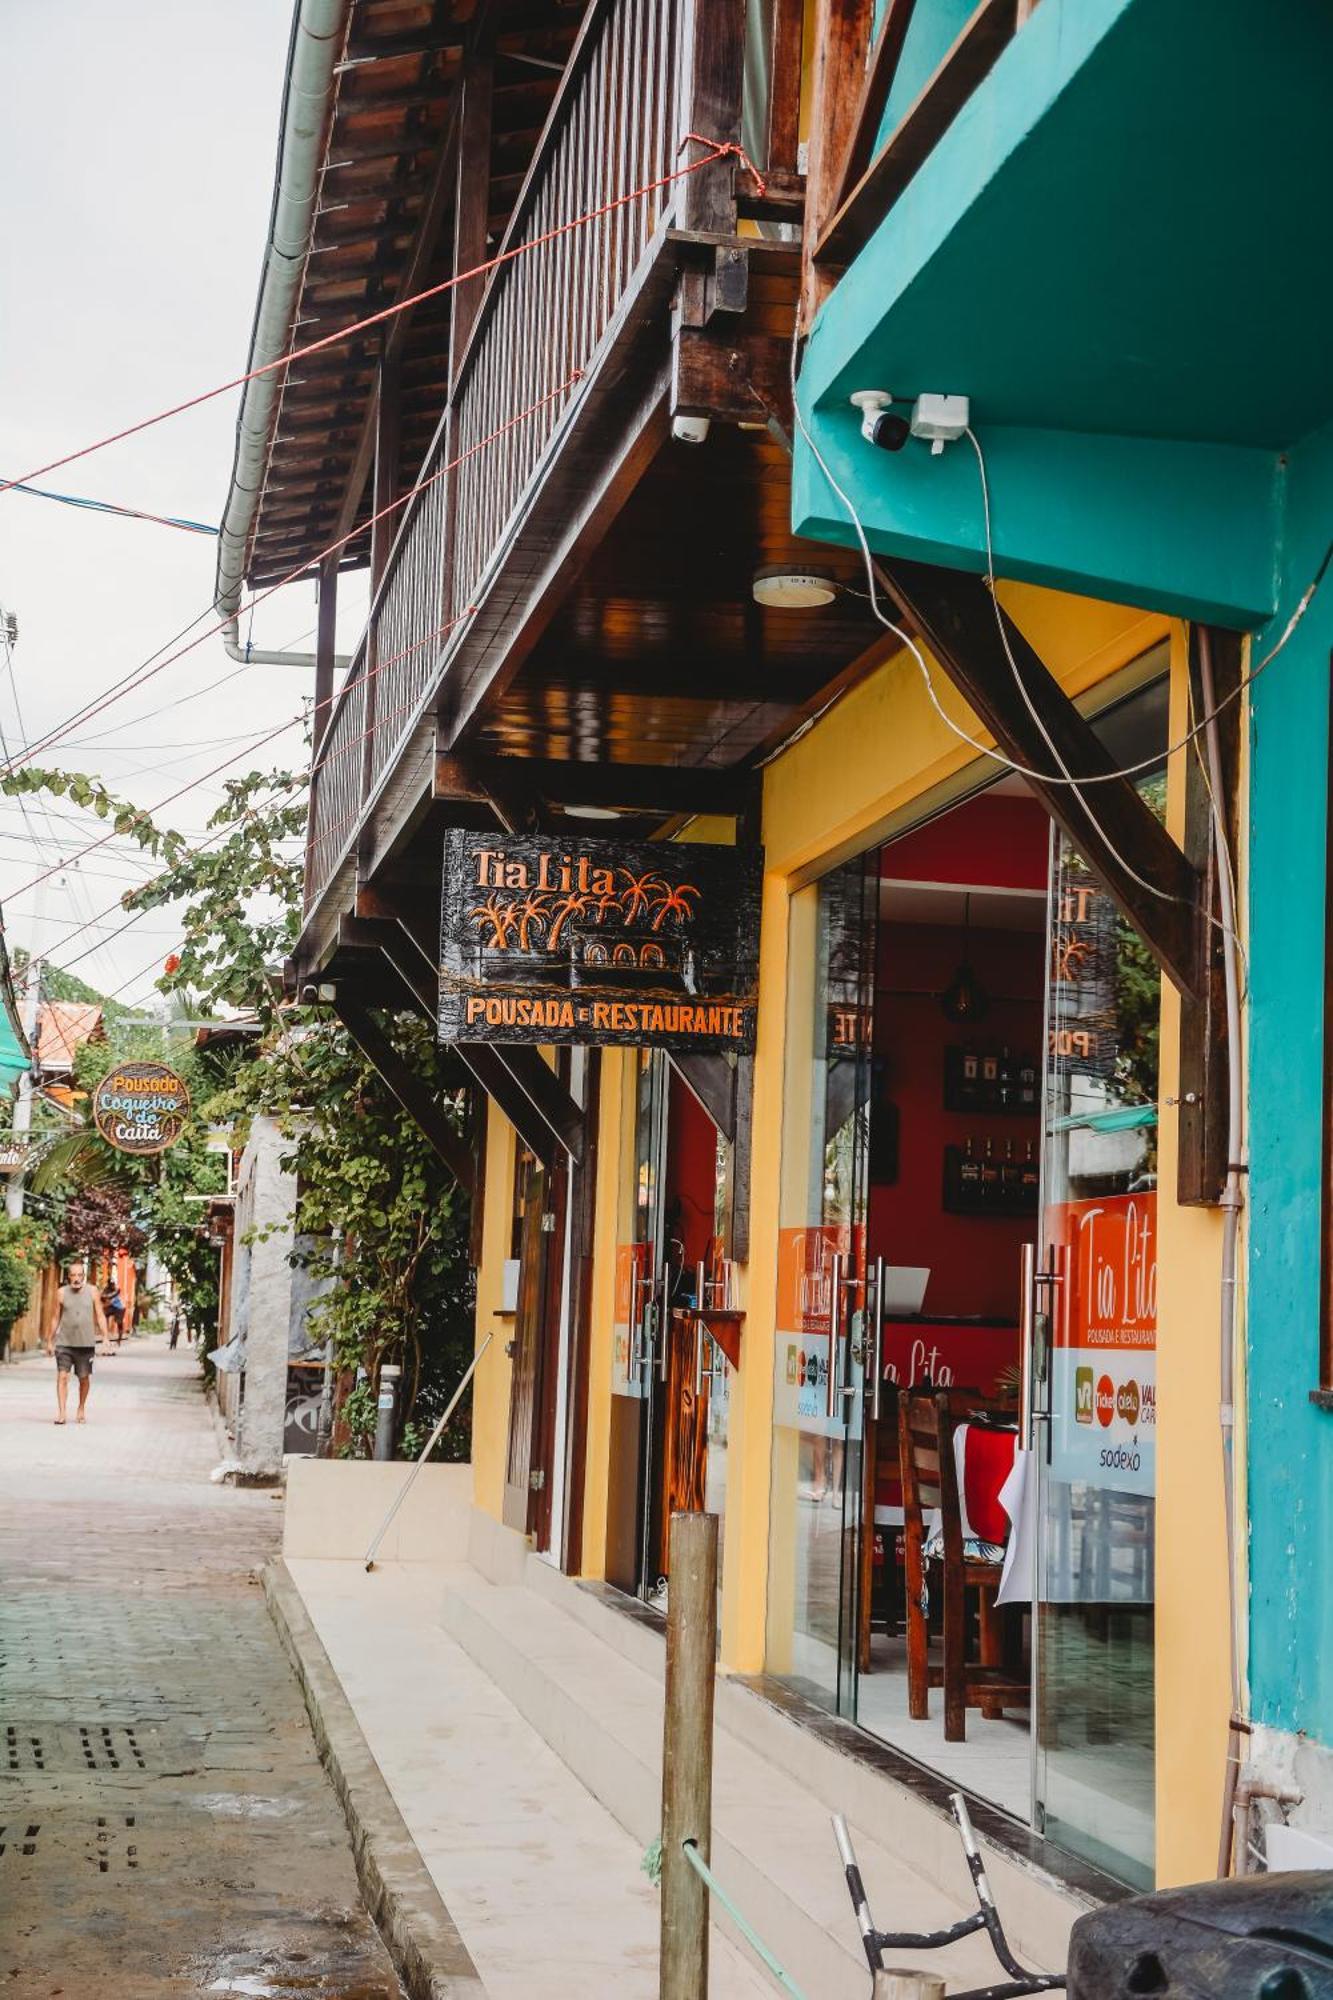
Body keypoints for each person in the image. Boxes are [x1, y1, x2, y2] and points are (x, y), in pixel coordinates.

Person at [45, 1259, 107, 1426]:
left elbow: (100, 1315)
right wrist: (50, 1340)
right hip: (64, 1342)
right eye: (73, 1275)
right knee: (62, 1377)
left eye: (80, 1275)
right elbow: (55, 1317)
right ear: (68, 1277)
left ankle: (81, 1408)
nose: (77, 1278)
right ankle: (62, 1413)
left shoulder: (93, 1291)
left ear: (84, 1276)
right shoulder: (61, 1293)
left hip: (86, 1344)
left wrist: (106, 1338)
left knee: (84, 1378)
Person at [101, 1281, 126, 1350]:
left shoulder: (117, 1290)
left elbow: (108, 1302)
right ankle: (105, 1333)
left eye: (113, 1285)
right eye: (111, 1285)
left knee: (119, 1323)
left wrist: (104, 1303)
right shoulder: (106, 1289)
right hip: (112, 1307)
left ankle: (119, 1339)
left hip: (120, 1308)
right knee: (104, 1315)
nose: (112, 1286)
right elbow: (102, 1297)